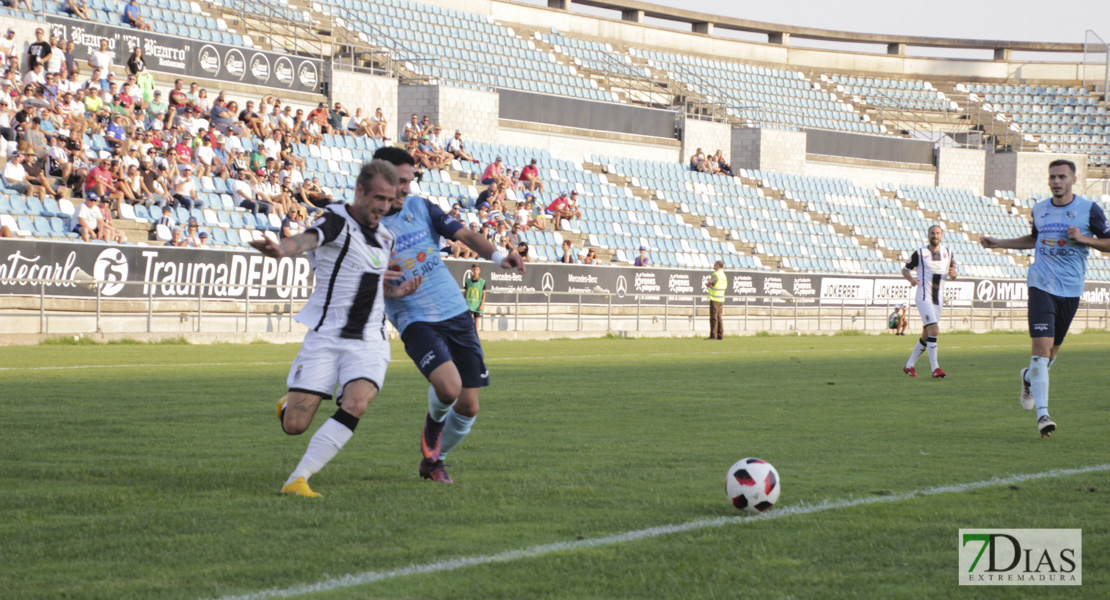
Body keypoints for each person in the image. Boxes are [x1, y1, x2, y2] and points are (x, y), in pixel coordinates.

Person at [251, 159, 422, 498]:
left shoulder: (386, 237)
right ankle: (289, 406)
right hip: (326, 337)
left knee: (357, 403)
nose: (384, 207)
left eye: (389, 201)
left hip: (370, 339)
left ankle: (297, 479)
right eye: (378, 199)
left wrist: (396, 291)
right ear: (359, 191)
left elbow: (370, 284)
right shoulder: (335, 223)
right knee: (295, 426)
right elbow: (306, 240)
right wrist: (281, 250)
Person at [374, 146, 526, 484]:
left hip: (455, 312)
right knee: (448, 388)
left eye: (409, 181)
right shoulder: (365, 223)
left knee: (469, 406)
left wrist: (501, 257)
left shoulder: (420, 207)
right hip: (415, 318)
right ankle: (432, 430)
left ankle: (434, 461)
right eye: (399, 181)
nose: (405, 189)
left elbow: (466, 235)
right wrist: (386, 285)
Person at [980, 159, 1110, 438]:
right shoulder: (1039, 209)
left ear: (1074, 180)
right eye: (1052, 177)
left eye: (1062, 176)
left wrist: (1085, 239)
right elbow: (1034, 240)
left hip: (1071, 290)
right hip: (1040, 285)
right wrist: (1000, 242)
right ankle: (1043, 416)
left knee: (1050, 357)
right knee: (1040, 354)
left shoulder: (1089, 210)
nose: (1056, 181)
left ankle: (1027, 378)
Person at [901, 225, 957, 379]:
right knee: (934, 330)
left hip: (938, 299)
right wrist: (911, 279)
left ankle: (909, 366)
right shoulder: (920, 253)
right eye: (932, 233)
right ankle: (935, 368)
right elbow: (905, 270)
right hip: (924, 297)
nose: (935, 235)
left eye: (938, 233)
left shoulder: (948, 253)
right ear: (928, 235)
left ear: (942, 235)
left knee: (927, 334)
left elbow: (953, 273)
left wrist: (953, 274)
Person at [705, 259, 726, 340]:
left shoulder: (716, 274)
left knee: (714, 317)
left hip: (714, 298)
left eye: (714, 264)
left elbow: (709, 283)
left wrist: (707, 284)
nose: (714, 266)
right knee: (719, 317)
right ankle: (720, 335)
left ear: (717, 265)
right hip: (721, 298)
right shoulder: (723, 275)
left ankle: (713, 335)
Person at [464, 264, 486, 334]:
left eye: (477, 269)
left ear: (479, 271)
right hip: (469, 303)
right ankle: (468, 334)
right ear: (471, 270)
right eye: (474, 269)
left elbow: (484, 294)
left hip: (477, 304)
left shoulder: (482, 282)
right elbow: (466, 292)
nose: (475, 271)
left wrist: (481, 305)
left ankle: (475, 334)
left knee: (476, 320)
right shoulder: (468, 281)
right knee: (467, 319)